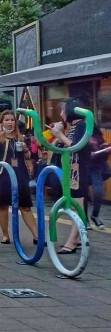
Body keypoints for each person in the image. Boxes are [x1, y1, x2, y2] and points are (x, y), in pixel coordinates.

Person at [0, 110, 40, 245]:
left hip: (19, 173)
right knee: (3, 205)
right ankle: (5, 235)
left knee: (25, 205)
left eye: (12, 120)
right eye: (7, 120)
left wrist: (26, 151)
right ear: (1, 122)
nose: (10, 122)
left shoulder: (20, 137)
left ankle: (36, 235)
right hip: (2, 174)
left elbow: (28, 157)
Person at [51, 99, 93, 253]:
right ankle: (76, 239)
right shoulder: (75, 126)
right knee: (75, 205)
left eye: (63, 111)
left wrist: (60, 134)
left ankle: (72, 242)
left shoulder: (82, 125)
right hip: (72, 171)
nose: (61, 114)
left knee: (78, 207)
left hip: (78, 170)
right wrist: (59, 135)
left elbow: (76, 146)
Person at [88, 126, 110, 228]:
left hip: (96, 167)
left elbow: (101, 147)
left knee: (98, 192)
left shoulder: (97, 135)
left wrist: (104, 150)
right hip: (83, 167)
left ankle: (95, 215)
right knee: (82, 195)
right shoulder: (79, 131)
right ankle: (84, 219)